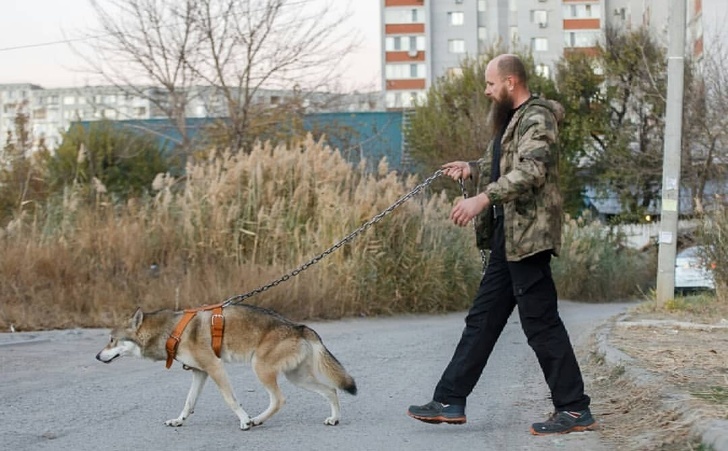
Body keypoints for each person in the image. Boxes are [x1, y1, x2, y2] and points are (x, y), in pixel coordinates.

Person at [406, 54, 596, 435]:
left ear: (511, 82)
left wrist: (482, 198)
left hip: (527, 238)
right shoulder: (515, 120)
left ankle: (574, 409)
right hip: (506, 238)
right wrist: (473, 168)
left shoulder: (537, 117)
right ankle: (449, 399)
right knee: (483, 320)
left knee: (541, 324)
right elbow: (505, 160)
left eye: (491, 84)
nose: (487, 91)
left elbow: (531, 169)